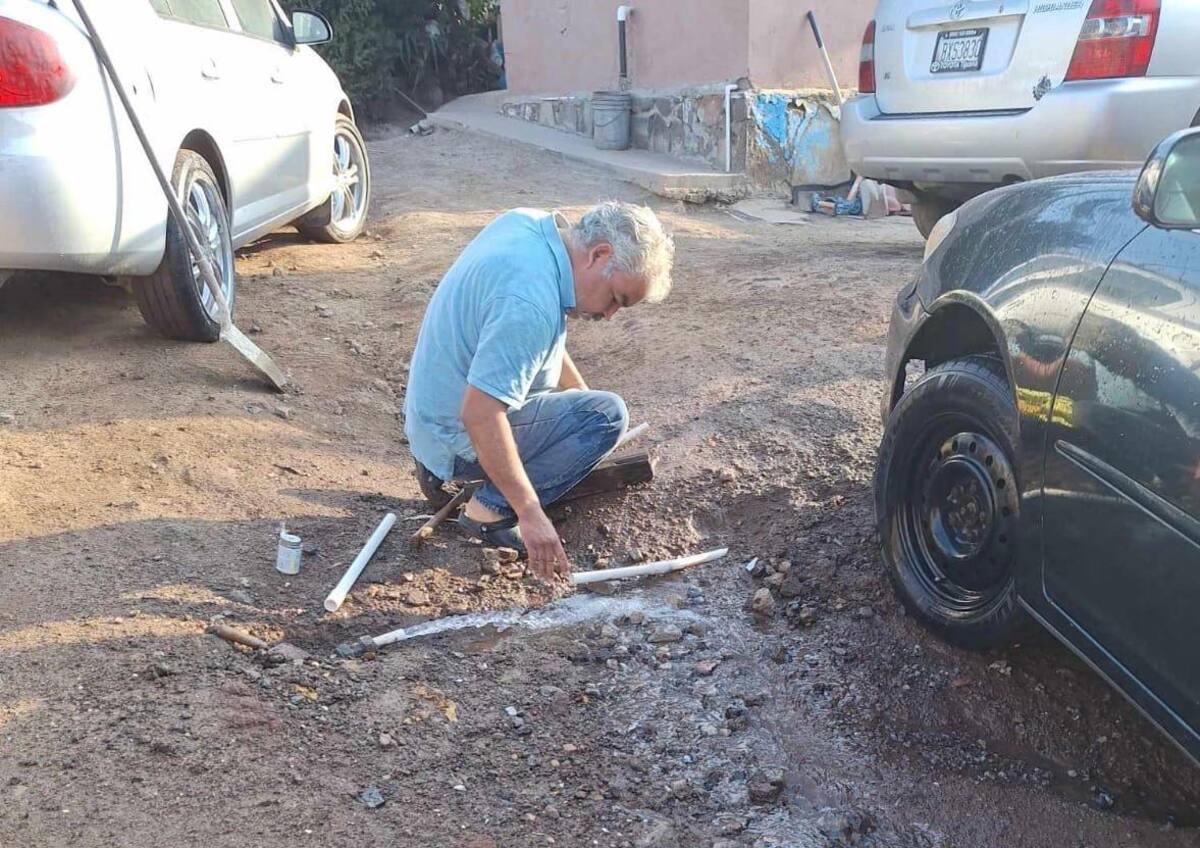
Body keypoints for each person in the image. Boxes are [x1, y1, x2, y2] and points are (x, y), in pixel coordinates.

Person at [403, 202, 675, 581]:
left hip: (431, 426)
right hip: (457, 438)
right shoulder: (529, 302)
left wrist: (577, 399)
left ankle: (474, 474)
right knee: (607, 415)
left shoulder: (530, 228)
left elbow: (530, 338)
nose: (610, 315)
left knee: (592, 413)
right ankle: (489, 509)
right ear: (600, 254)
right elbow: (480, 414)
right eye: (616, 298)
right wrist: (530, 513)